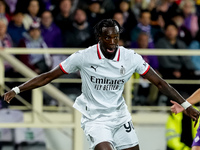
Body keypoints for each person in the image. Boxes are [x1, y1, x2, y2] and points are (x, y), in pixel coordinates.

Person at [2, 19, 200, 150]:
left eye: (116, 37)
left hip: (120, 116)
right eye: (108, 37)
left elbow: (160, 83)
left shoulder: (130, 57)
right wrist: (18, 89)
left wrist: (186, 105)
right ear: (100, 37)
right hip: (94, 117)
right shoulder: (84, 56)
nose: (112, 41)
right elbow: (48, 76)